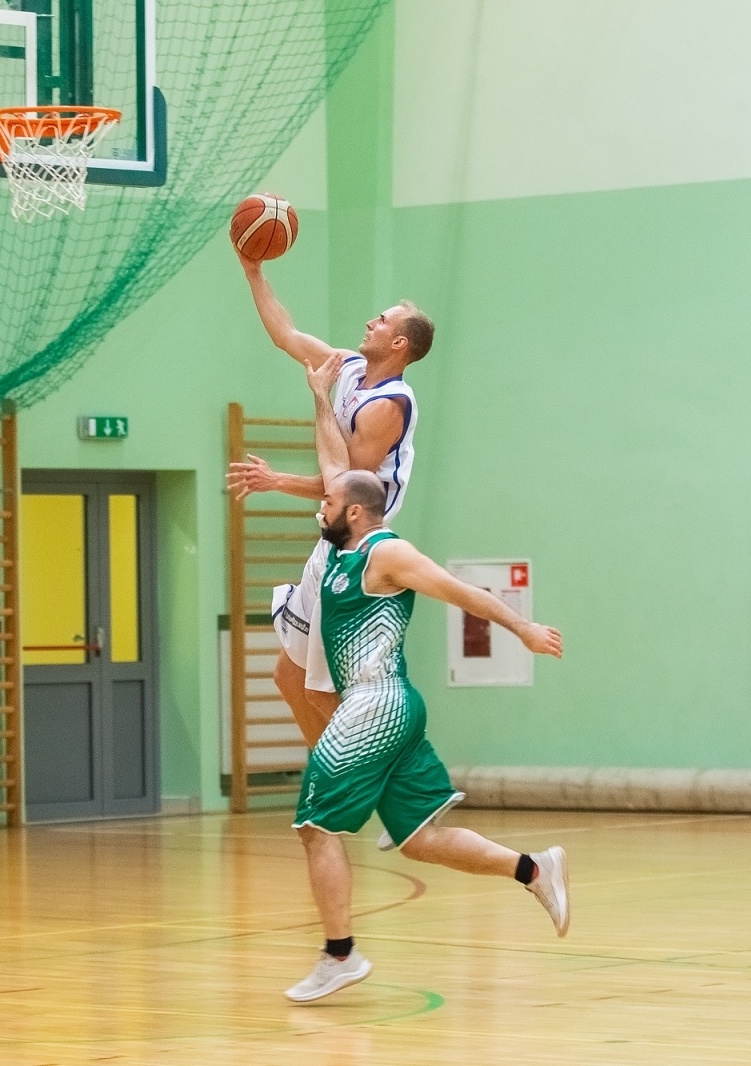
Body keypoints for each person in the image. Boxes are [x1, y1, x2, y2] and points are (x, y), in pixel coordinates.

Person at [283, 355, 570, 1005]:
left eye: (329, 502)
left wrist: (521, 629)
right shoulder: (344, 541)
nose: (320, 502)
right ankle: (535, 869)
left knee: (314, 827)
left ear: (355, 514)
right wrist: (320, 395)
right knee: (420, 840)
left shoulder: (388, 553)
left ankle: (340, 956)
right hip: (390, 709)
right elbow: (336, 462)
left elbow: (462, 591)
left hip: (375, 706)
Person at [225, 253, 431, 762]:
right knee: (288, 678)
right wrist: (254, 272)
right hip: (332, 536)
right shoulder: (351, 367)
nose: (370, 321)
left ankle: (395, 772)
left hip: (360, 543)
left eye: (382, 320)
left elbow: (344, 485)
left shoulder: (388, 404)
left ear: (399, 343)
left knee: (322, 689)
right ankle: (333, 774)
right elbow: (287, 336)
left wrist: (279, 476)